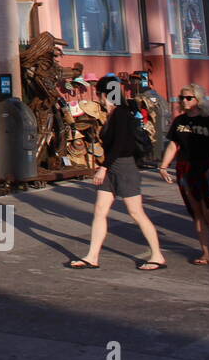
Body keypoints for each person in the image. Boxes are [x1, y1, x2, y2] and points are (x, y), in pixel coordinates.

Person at [68, 76, 167, 271]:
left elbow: (121, 144)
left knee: (136, 212)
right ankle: (92, 256)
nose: (99, 98)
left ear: (106, 94)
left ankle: (157, 255)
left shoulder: (122, 113)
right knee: (100, 210)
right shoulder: (114, 114)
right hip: (113, 166)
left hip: (124, 167)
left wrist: (103, 167)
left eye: (99, 94)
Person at [157, 84, 209, 264]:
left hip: (208, 168)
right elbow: (173, 145)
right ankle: (206, 253)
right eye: (182, 98)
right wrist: (163, 166)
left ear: (199, 99)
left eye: (188, 98)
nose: (184, 101)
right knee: (197, 213)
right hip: (185, 168)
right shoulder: (179, 121)